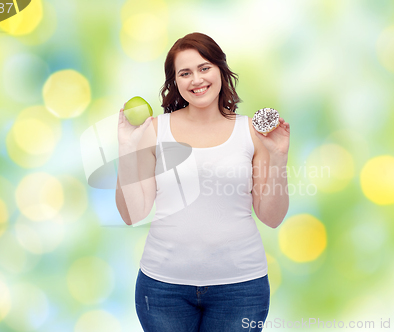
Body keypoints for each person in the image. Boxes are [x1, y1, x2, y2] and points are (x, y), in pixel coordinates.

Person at [116, 32, 290, 332]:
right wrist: (126, 150)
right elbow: (133, 213)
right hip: (162, 289)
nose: (196, 79)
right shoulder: (154, 131)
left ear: (221, 70)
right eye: (185, 73)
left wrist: (277, 159)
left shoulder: (252, 132)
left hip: (241, 288)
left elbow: (272, 218)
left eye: (204, 67)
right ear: (175, 82)